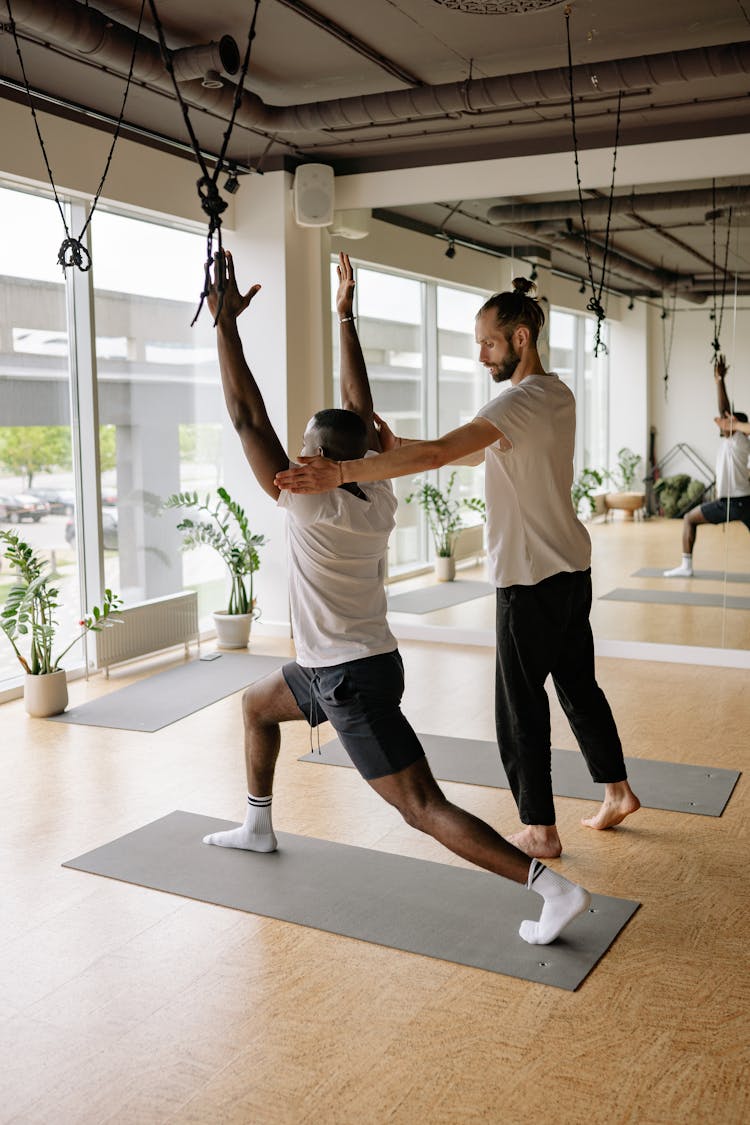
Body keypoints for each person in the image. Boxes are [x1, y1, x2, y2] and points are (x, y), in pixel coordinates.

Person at [202, 249, 592, 946]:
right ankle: (258, 825)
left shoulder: (308, 503)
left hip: (349, 678)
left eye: (305, 450)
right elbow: (360, 411)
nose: (295, 456)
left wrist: (225, 327)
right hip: (352, 664)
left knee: (421, 805)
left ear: (320, 462)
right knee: (257, 704)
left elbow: (242, 414)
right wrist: (345, 314)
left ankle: (551, 888)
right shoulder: (375, 491)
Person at [276, 274, 640, 860]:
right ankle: (616, 791)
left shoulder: (516, 401)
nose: (480, 356)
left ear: (520, 338)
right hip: (571, 567)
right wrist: (398, 450)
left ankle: (540, 829)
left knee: (518, 702)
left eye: (488, 344)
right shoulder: (555, 395)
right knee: (577, 684)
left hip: (529, 576)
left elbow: (445, 452)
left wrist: (341, 473)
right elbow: (465, 451)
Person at [663, 355, 750, 577]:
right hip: (745, 500)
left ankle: (686, 567)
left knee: (689, 519)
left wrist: (719, 380)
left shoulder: (738, 439)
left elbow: (724, 411)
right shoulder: (734, 442)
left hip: (732, 502)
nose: (721, 423)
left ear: (735, 425)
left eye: (726, 422)